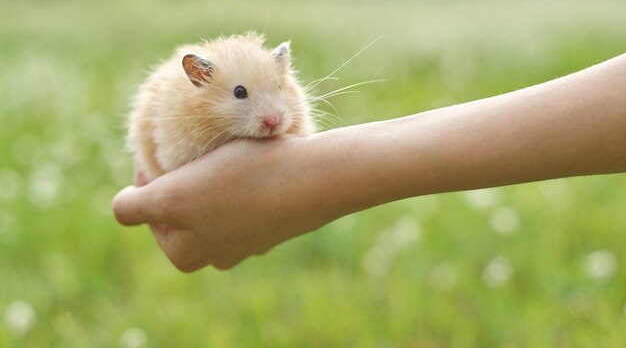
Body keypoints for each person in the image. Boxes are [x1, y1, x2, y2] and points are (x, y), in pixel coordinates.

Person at [112, 53, 626, 272]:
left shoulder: (276, 99)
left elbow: (293, 127)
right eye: (244, 95)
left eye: (276, 91)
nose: (271, 117)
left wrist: (312, 174)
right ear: (197, 77)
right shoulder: (176, 107)